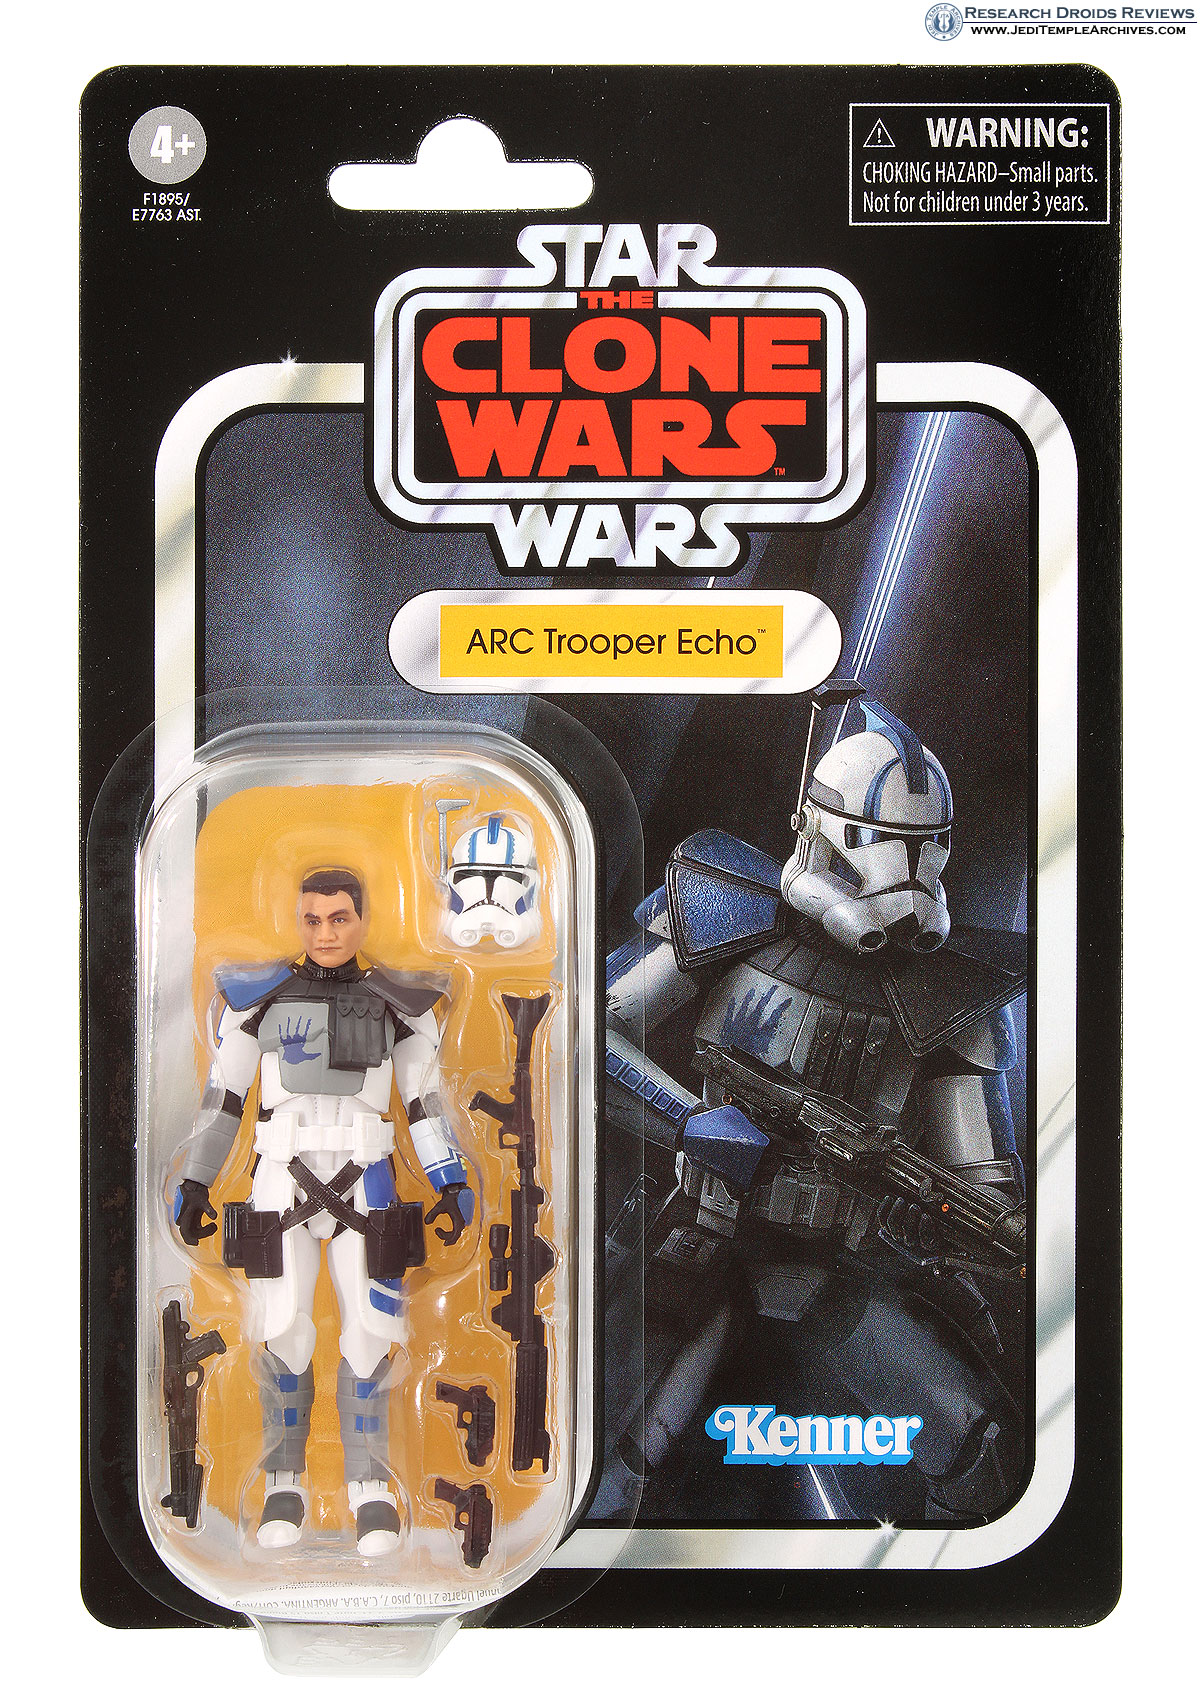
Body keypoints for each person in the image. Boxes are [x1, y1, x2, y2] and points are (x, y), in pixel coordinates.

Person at [173, 868, 474, 1555]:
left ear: (361, 920)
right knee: (283, 1333)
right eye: (313, 919)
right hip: (278, 1184)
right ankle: (284, 1485)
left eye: (339, 918)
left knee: (368, 1335)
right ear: (298, 920)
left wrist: (451, 1182)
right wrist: (195, 1181)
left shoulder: (401, 1003)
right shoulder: (254, 1000)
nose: (326, 933)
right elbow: (223, 1101)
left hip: (368, 1184)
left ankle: (371, 1490)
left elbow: (425, 1103)